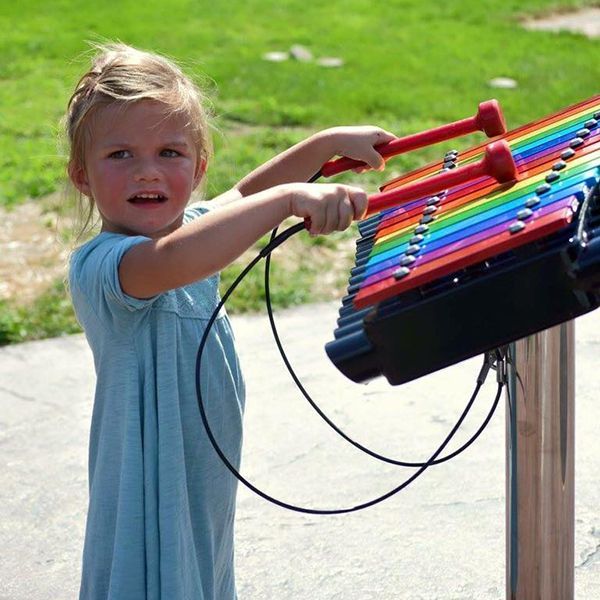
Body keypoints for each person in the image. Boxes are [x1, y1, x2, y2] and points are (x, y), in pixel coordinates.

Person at [65, 42, 394, 600]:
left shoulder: (187, 226)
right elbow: (174, 261)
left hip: (199, 480)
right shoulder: (105, 266)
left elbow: (243, 196)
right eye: (120, 155)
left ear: (198, 169)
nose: (148, 171)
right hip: (146, 495)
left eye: (170, 152)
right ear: (81, 176)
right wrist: (293, 199)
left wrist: (326, 144)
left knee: (203, 577)